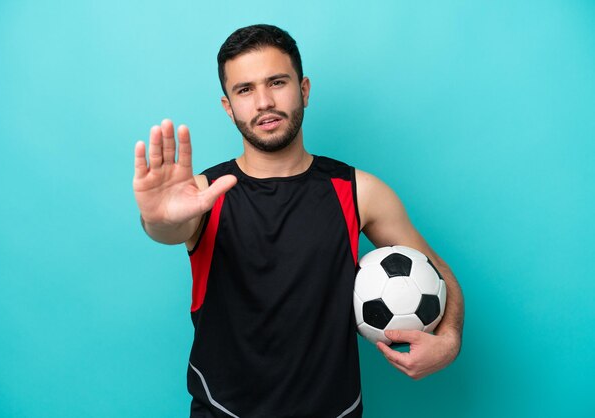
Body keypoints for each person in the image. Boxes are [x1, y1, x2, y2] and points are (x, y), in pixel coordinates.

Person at [133, 24, 464, 418]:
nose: (263, 102)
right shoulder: (204, 195)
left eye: (277, 82)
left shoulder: (359, 191)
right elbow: (170, 228)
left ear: (303, 89)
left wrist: (450, 340)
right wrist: (156, 219)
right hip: (223, 412)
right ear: (228, 106)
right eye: (245, 90)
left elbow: (436, 270)